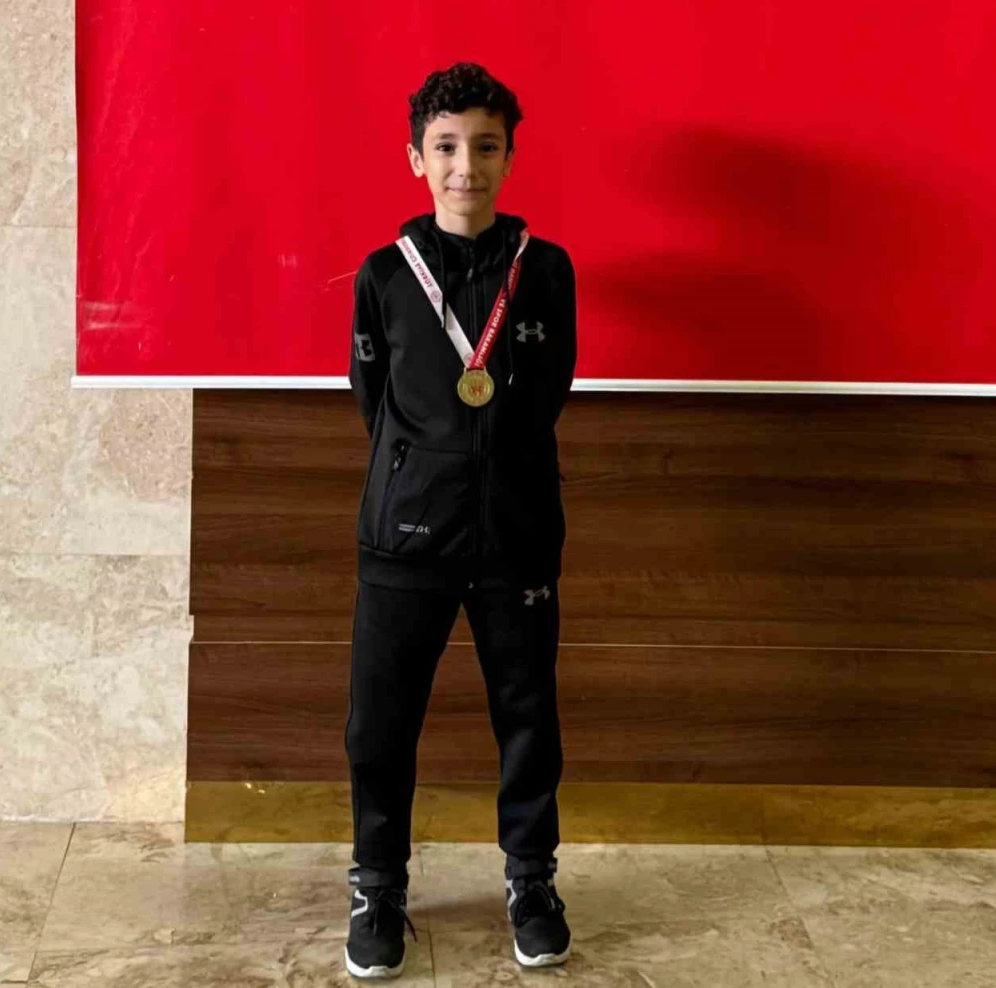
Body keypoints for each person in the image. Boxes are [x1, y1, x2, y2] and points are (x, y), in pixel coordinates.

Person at [343, 62, 578, 980]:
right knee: (379, 727)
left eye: (485, 147)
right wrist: (427, 475)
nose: (464, 167)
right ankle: (377, 887)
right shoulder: (382, 275)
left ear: (509, 158)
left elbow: (547, 394)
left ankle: (531, 882)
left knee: (528, 718)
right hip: (404, 539)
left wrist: (494, 473)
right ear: (416, 159)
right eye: (445, 147)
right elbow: (377, 402)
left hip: (516, 535)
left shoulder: (544, 271)